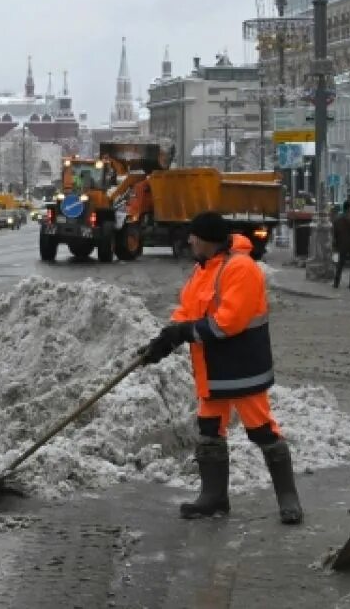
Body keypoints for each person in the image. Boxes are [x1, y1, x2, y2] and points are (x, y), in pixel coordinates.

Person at [139, 211, 302, 524]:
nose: (189, 241)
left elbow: (229, 322)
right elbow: (188, 310)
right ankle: (214, 497)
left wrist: (184, 333)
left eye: (194, 236)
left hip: (242, 365)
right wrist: (165, 338)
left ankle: (288, 498)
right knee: (210, 430)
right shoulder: (204, 269)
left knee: (262, 429)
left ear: (208, 240)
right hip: (211, 367)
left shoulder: (241, 268)